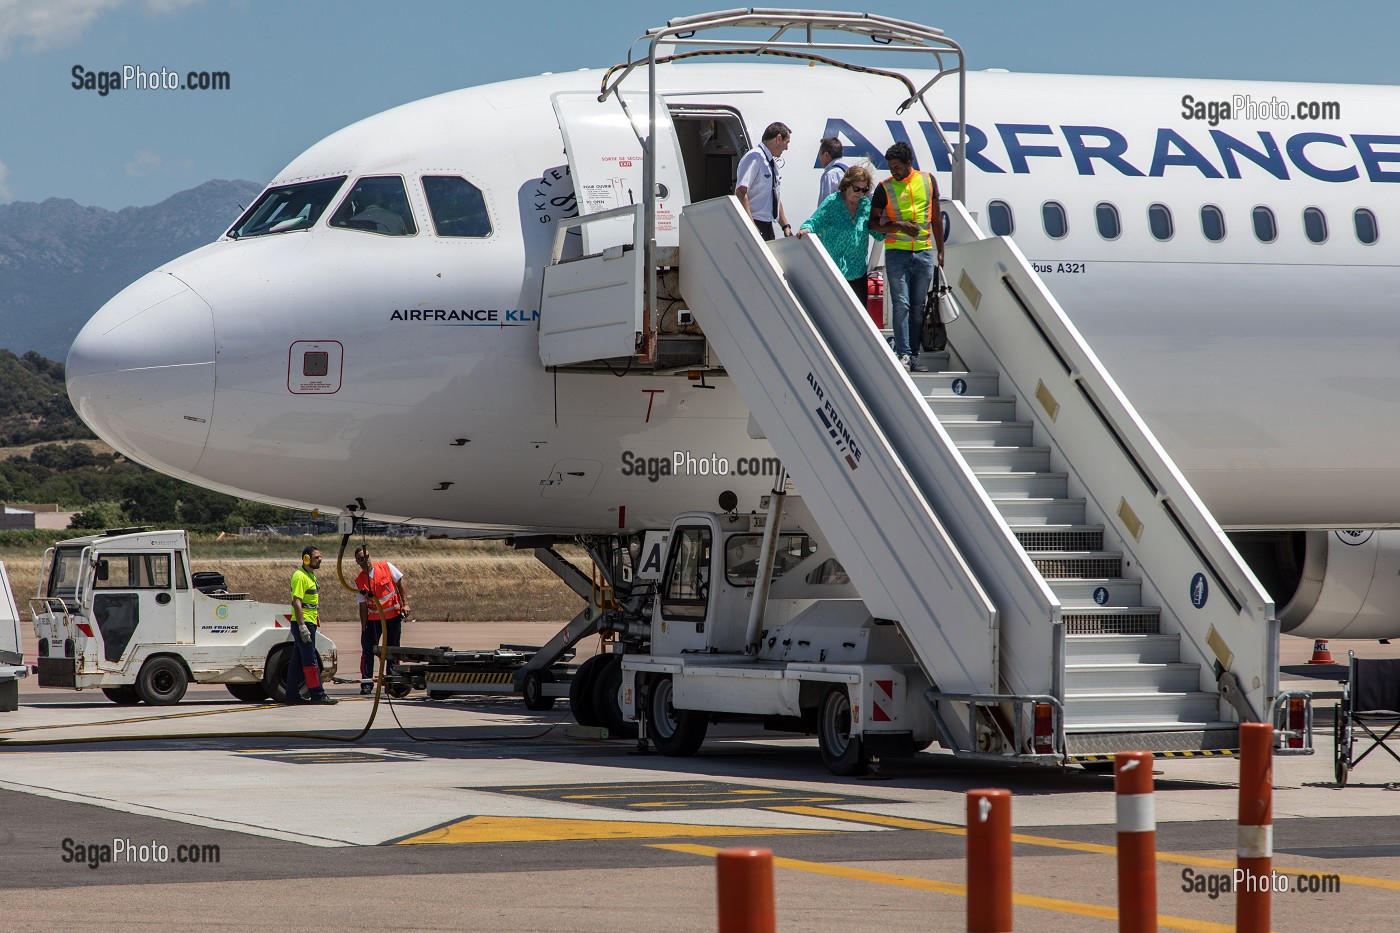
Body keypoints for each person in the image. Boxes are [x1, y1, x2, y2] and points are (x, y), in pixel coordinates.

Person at [868, 141, 945, 373]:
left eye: (897, 166)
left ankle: (913, 356)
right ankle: (902, 354)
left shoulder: (928, 181)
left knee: (918, 307)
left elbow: (936, 218)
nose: (893, 171)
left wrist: (940, 250)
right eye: (890, 167)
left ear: (909, 163)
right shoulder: (885, 187)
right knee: (901, 303)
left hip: (923, 252)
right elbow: (873, 223)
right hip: (897, 254)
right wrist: (899, 226)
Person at [797, 164, 878, 301]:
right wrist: (806, 229)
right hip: (833, 274)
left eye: (864, 190)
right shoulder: (833, 203)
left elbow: (878, 233)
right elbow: (814, 222)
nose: (860, 193)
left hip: (858, 274)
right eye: (856, 189)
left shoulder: (865, 206)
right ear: (846, 185)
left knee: (857, 320)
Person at [353, 545, 410, 695]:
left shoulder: (386, 567)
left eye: (366, 557)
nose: (365, 561)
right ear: (357, 562)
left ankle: (392, 681)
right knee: (368, 650)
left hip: (393, 617)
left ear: (370, 556)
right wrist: (364, 627)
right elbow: (363, 606)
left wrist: (406, 604)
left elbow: (400, 584)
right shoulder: (359, 581)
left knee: (392, 649)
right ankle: (367, 684)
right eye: (360, 559)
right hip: (373, 620)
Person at [287, 545, 337, 705]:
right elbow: (297, 602)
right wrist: (302, 627)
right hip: (304, 624)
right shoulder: (300, 576)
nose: (320, 559)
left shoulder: (311, 576)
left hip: (310, 621)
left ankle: (291, 695)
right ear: (306, 559)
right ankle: (317, 694)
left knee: (296, 662)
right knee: (310, 660)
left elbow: (311, 603)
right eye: (316, 557)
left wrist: (315, 620)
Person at [734, 122, 793, 241]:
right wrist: (751, 227)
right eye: (786, 142)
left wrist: (785, 225)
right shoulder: (755, 157)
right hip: (755, 222)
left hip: (767, 225)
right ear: (778, 138)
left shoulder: (772, 164)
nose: (786, 148)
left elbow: (774, 195)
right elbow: (741, 192)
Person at [815, 136, 849, 205]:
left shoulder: (829, 174)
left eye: (820, 154)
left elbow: (825, 205)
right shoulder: (849, 170)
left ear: (826, 155)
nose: (819, 159)